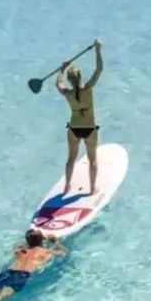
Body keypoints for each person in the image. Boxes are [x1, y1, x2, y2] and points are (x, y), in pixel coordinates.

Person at [0, 229, 67, 301]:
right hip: (22, 275)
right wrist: (55, 241)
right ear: (42, 240)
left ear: (27, 241)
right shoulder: (46, 252)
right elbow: (64, 252)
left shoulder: (20, 250)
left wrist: (31, 240)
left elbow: (21, 245)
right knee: (5, 293)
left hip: (9, 272)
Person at [56, 39, 103, 195]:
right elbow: (99, 70)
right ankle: (92, 189)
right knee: (93, 160)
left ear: (70, 80)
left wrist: (62, 69)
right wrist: (98, 49)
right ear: (80, 76)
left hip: (74, 129)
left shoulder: (67, 94)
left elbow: (59, 84)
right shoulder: (88, 88)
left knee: (71, 159)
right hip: (89, 129)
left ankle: (66, 187)